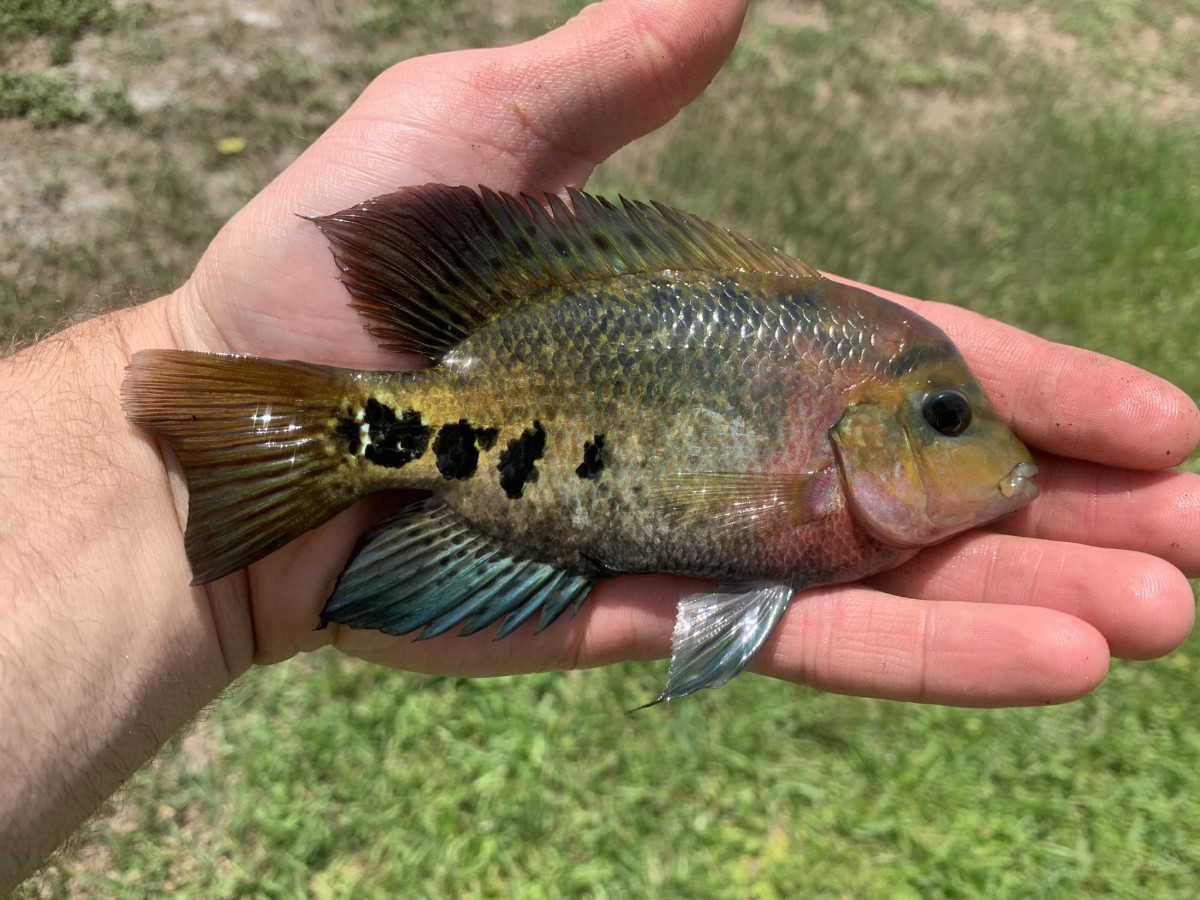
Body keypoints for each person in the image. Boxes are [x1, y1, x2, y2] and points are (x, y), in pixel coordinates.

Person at [1, 0, 1196, 887]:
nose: (988, 448)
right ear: (865, 425)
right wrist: (160, 466)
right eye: (948, 418)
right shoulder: (832, 401)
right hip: (472, 420)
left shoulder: (860, 392)